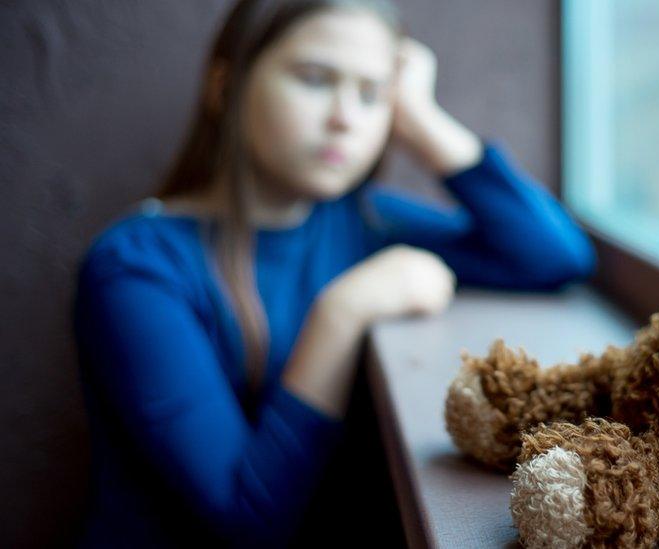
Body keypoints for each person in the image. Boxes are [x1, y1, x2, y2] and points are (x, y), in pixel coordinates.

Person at [71, 0, 595, 546]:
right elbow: (245, 521)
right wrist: (342, 313)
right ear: (225, 87)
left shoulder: (363, 222)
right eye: (316, 79)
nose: (347, 118)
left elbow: (554, 256)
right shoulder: (135, 269)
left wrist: (420, 119)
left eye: (372, 94)